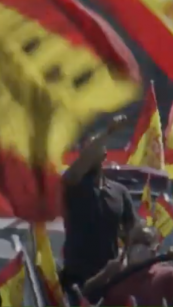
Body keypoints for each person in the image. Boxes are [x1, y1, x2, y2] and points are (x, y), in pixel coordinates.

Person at [60, 115, 138, 303]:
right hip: (77, 283)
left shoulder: (120, 192)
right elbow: (74, 173)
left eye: (95, 148)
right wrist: (109, 132)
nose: (90, 153)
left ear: (104, 155)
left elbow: (132, 230)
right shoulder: (74, 185)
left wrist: (124, 259)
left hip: (111, 281)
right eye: (87, 150)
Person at [85, 226, 173, 306]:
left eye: (146, 243)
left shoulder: (165, 273)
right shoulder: (116, 271)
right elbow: (85, 293)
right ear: (128, 246)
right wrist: (105, 274)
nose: (139, 247)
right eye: (135, 242)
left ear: (155, 249)